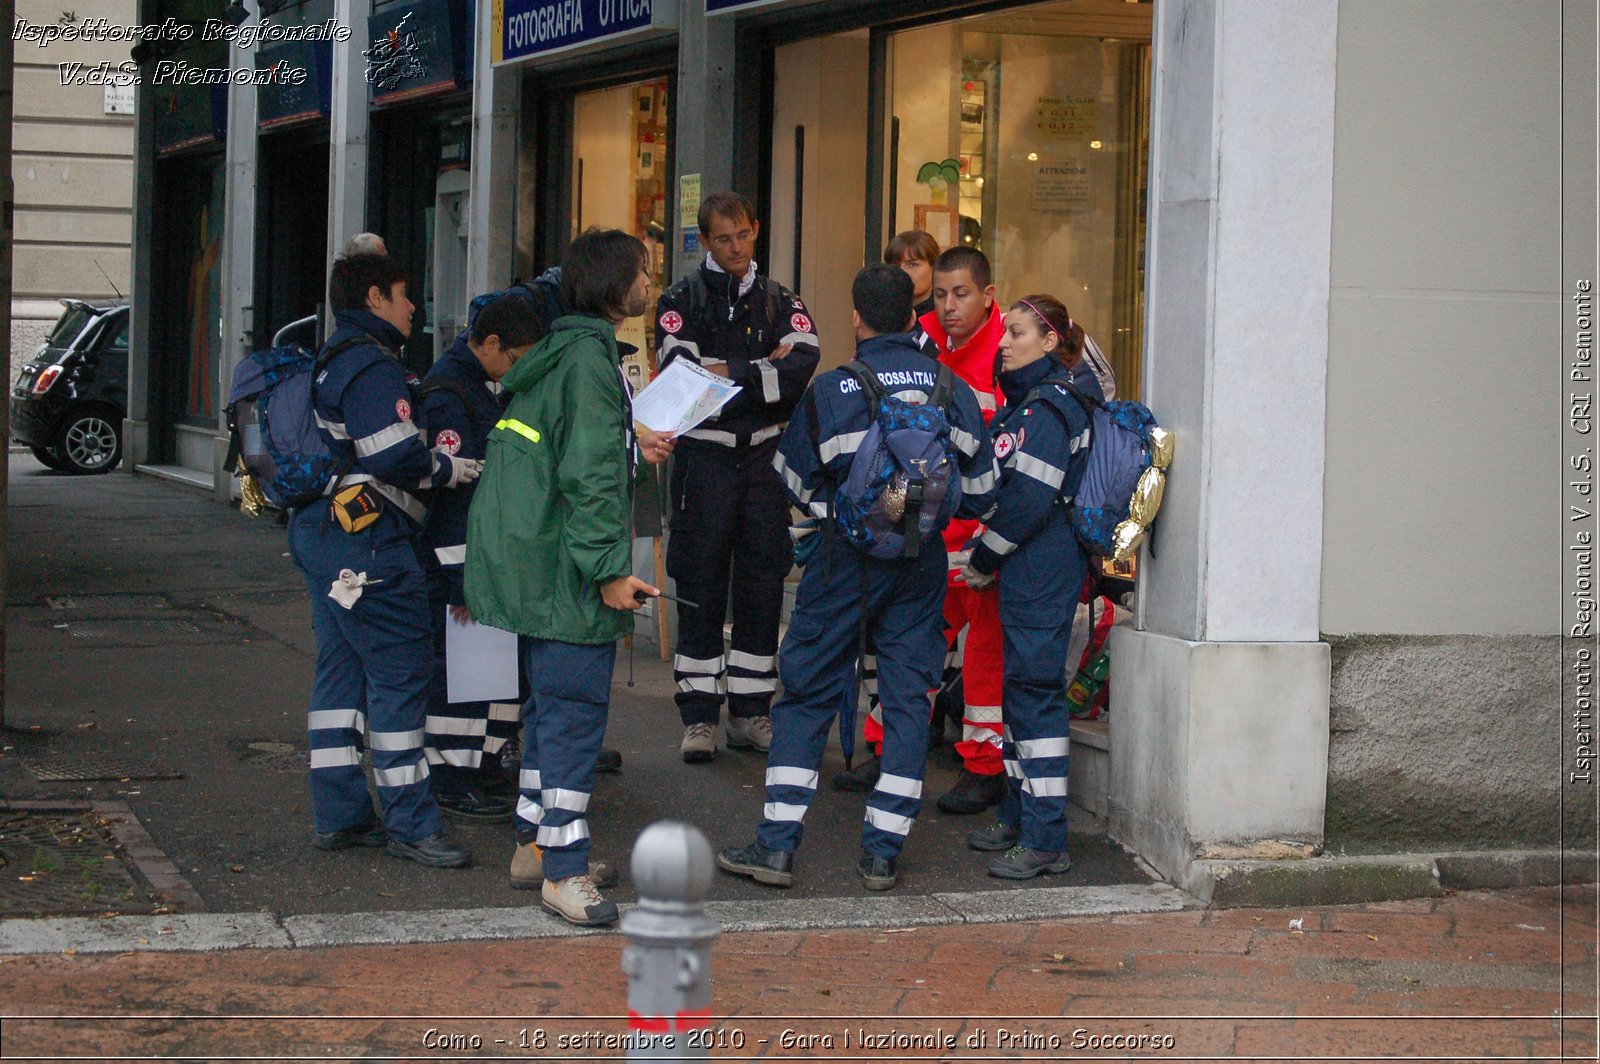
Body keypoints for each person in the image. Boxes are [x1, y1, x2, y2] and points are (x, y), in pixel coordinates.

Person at [717, 264, 998, 892]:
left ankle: (776, 849)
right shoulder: (952, 389)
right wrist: (919, 515)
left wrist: (842, 515)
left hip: (846, 562)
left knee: (808, 693)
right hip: (920, 565)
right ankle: (882, 854)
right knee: (904, 703)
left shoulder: (833, 390)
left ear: (856, 318)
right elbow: (981, 493)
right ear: (912, 316)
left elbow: (790, 476)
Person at [464, 228, 674, 928]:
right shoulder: (592, 361)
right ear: (618, 287)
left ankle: (534, 845)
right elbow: (588, 479)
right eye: (643, 272)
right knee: (573, 722)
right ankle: (564, 870)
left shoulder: (569, 349)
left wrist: (633, 443)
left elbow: (575, 452)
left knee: (546, 716)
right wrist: (611, 571)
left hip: (542, 569)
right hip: (570, 577)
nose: (650, 281)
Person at [292, 252, 481, 869]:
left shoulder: (330, 357)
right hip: (370, 544)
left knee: (340, 676)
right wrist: (452, 467)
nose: (413, 308)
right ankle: (411, 824)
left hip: (324, 533)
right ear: (374, 298)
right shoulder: (373, 367)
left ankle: (340, 816)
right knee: (401, 678)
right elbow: (397, 455)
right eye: (404, 295)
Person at [837, 246, 1007, 816]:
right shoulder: (921, 342)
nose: (949, 306)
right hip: (923, 528)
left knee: (982, 651)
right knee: (911, 649)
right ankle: (887, 751)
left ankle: (983, 767)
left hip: (979, 532)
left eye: (962, 294)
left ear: (988, 296)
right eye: (939, 294)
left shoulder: (1009, 350)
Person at [655, 191, 820, 763]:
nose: (735, 248)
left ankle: (751, 713)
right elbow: (684, 381)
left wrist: (726, 372)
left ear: (756, 229)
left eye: (743, 236)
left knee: (762, 581)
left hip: (765, 462)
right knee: (699, 581)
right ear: (704, 241)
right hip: (703, 459)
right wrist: (757, 374)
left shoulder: (781, 298)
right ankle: (698, 716)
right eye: (722, 239)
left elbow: (802, 365)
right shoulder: (680, 299)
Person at [961, 294, 1092, 880]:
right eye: (1005, 333)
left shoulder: (1050, 408)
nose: (1004, 343)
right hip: (1030, 570)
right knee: (1020, 695)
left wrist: (985, 556)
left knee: (1036, 698)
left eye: (1015, 334)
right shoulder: (1030, 405)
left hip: (1044, 569)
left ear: (1048, 341)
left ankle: (1045, 840)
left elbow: (1028, 500)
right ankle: (1018, 817)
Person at [417, 295, 544, 824]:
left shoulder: (477, 385)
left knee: (488, 676)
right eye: (517, 357)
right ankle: (452, 777)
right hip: (461, 564)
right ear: (491, 344)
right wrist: (463, 577)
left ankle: (483, 767)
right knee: (459, 681)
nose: (519, 369)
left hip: (484, 559)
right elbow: (453, 499)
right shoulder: (449, 395)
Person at [883, 230, 941, 321]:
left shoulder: (944, 317)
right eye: (896, 265)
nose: (902, 272)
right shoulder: (882, 314)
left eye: (912, 265)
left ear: (933, 268)